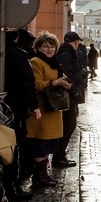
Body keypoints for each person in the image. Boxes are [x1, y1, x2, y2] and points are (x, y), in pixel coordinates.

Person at [26, 32, 73, 186]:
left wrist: (65, 82)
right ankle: (38, 177)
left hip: (53, 108)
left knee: (47, 144)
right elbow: (36, 84)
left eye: (52, 46)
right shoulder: (36, 62)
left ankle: (43, 175)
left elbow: (58, 78)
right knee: (41, 143)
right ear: (38, 47)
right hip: (42, 109)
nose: (49, 49)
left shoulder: (54, 62)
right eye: (45, 46)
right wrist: (55, 82)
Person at [2, 29, 39, 201]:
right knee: (13, 145)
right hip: (15, 107)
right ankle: (11, 187)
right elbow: (27, 82)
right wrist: (33, 105)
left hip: (8, 104)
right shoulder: (19, 55)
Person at [55, 31, 85, 168]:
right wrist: (74, 91)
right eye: (77, 42)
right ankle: (59, 156)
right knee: (69, 125)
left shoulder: (69, 53)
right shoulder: (67, 54)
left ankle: (60, 155)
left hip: (71, 96)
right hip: (69, 96)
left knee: (69, 125)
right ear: (74, 42)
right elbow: (66, 74)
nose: (78, 45)